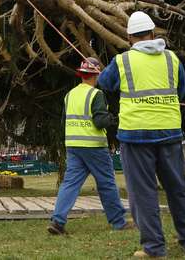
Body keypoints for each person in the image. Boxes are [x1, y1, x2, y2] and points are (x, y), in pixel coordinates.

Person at [99, 11, 185, 258]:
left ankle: (154, 247)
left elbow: (105, 83)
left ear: (130, 37)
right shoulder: (172, 59)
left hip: (136, 136)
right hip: (169, 132)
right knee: (177, 188)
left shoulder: (123, 61)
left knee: (143, 193)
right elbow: (181, 90)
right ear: (153, 34)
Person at [48, 57, 131, 235]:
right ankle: (118, 222)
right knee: (106, 183)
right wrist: (113, 118)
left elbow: (64, 123)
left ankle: (58, 221)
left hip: (73, 146)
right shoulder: (96, 94)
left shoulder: (70, 95)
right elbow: (100, 121)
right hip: (93, 146)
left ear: (82, 74)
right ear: (97, 75)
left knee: (70, 184)